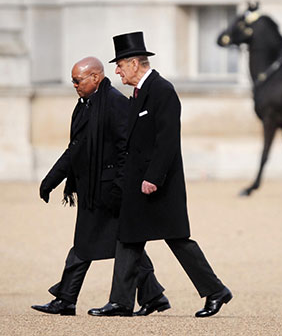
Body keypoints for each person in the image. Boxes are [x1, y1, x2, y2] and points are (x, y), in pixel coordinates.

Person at [88, 32, 232, 318]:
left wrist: (153, 177)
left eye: (119, 64)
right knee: (128, 238)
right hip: (137, 182)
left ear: (133, 63)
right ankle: (121, 302)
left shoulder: (162, 90)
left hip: (158, 184)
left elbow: (167, 140)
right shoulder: (140, 92)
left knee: (177, 239)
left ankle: (216, 291)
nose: (116, 71)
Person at [32, 57, 168, 317]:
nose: (74, 85)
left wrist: (120, 187)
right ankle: (153, 295)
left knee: (90, 244)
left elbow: (126, 149)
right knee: (122, 244)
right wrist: (52, 179)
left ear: (95, 77)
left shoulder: (115, 103)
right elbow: (76, 149)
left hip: (108, 190)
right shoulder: (86, 104)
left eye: (77, 80)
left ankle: (66, 299)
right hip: (93, 188)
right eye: (72, 80)